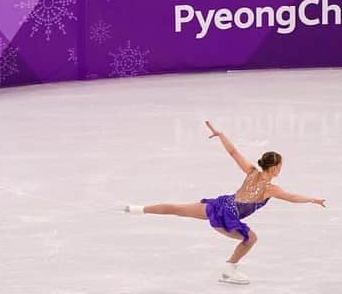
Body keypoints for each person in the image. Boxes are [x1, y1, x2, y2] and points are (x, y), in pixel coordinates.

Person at [124, 121, 326, 285]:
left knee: (177, 209)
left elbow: (234, 153)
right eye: (280, 165)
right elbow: (292, 198)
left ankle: (136, 209)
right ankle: (230, 268)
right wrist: (313, 199)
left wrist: (221, 135)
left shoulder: (251, 172)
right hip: (228, 215)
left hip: (221, 204)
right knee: (251, 239)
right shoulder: (270, 189)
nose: (281, 168)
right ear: (275, 168)